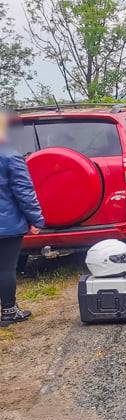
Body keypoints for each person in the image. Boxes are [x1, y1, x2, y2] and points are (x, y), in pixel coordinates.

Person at [0, 111, 44, 327]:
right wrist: (36, 219)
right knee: (5, 268)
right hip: (6, 225)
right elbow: (24, 191)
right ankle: (9, 311)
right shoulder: (9, 155)